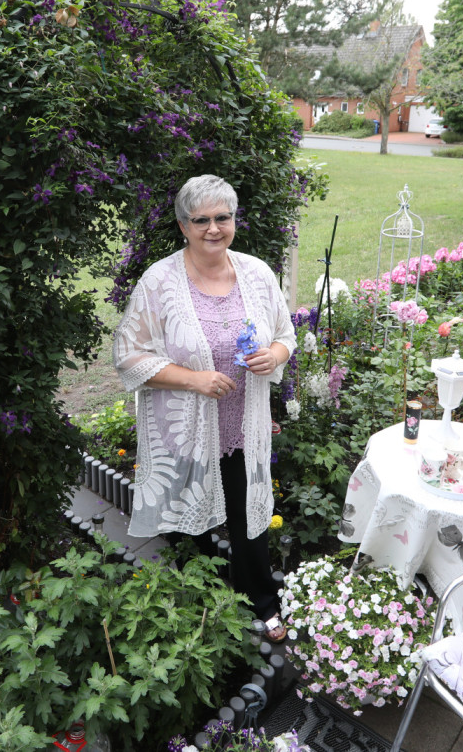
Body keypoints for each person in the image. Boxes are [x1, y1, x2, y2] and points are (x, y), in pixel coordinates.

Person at [113, 174, 296, 639]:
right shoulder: (160, 282)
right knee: (190, 521)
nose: (214, 228)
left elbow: (284, 335)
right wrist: (194, 379)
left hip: (242, 425)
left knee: (249, 517)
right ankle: (205, 602)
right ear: (183, 225)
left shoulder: (256, 274)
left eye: (223, 217)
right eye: (202, 220)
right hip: (186, 426)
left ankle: (261, 601)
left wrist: (273, 355)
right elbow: (128, 356)